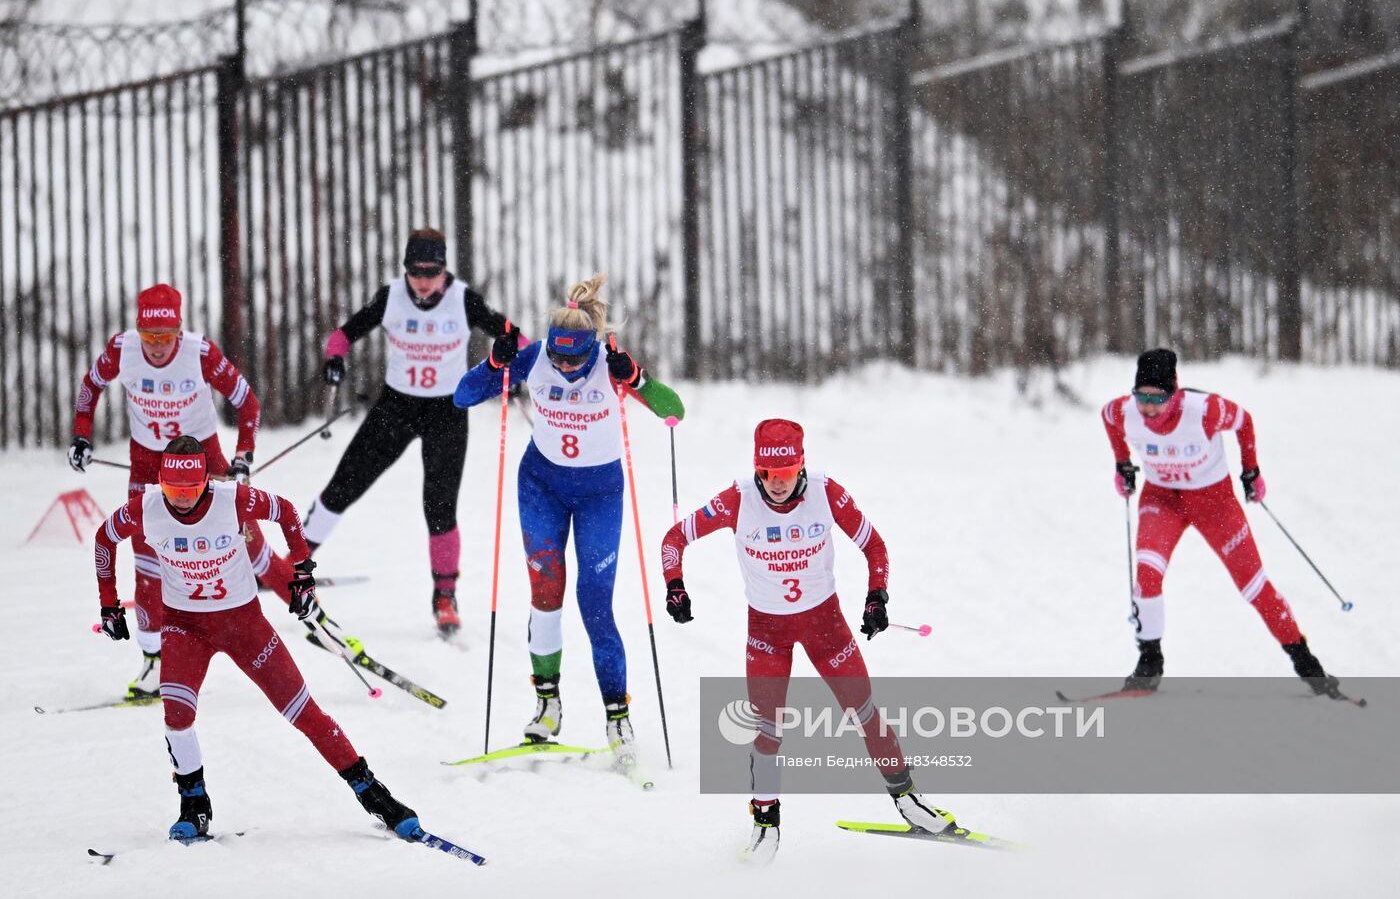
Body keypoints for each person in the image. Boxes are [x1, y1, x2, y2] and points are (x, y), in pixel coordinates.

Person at [659, 418, 982, 859]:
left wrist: (877, 597)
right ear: (757, 470)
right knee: (768, 730)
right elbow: (674, 538)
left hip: (825, 626)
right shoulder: (738, 498)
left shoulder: (826, 492)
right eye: (769, 475)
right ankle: (765, 823)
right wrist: (674, 585)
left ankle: (910, 802)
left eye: (787, 474)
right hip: (767, 633)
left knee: (864, 712)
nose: (777, 484)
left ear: (801, 467)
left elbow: (876, 547)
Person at [93, 436, 424, 841]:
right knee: (176, 716)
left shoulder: (231, 499)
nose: (180, 499)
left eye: (190, 490)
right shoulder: (146, 507)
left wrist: (302, 573)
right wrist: (109, 604)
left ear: (205, 484)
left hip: (244, 626)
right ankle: (194, 804)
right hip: (185, 627)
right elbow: (104, 539)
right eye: (172, 490)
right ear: (161, 482)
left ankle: (372, 792)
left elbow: (284, 511)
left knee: (303, 712)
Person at [453, 273, 684, 761]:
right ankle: (547, 704)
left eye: (574, 359)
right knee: (545, 593)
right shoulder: (534, 357)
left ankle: (618, 718)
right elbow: (463, 395)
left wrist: (637, 378)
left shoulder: (608, 364)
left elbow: (673, 412)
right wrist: (495, 361)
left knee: (595, 604)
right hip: (542, 486)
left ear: (591, 347)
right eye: (558, 357)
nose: (564, 367)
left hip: (600, 492)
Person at [68, 283, 299, 701]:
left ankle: (308, 607)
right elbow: (89, 390)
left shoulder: (200, 352)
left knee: (251, 548)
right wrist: (81, 436)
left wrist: (243, 456)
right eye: (149, 336)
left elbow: (248, 403)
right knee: (148, 563)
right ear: (137, 330)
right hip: (147, 466)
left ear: (180, 330)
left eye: (166, 336)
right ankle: (154, 661)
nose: (157, 347)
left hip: (205, 465)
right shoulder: (123, 349)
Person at [307, 228, 523, 637]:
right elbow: (342, 334)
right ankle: (294, 563)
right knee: (345, 485)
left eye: (432, 272)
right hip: (397, 407)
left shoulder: (464, 299)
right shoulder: (391, 296)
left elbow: (514, 335)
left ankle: (445, 597)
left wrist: (515, 360)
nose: (424, 281)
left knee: (439, 507)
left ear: (445, 271)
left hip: (448, 411)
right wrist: (335, 359)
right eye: (416, 272)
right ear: (405, 270)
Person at [1103, 348, 1344, 696]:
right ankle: (1149, 664)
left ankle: (1307, 663)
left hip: (1213, 502)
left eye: (1158, 398)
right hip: (1162, 498)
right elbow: (1108, 419)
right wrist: (1122, 463)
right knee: (1147, 574)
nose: (1148, 408)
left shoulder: (1205, 411)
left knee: (1253, 586)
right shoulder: (1124, 412)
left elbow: (1244, 421)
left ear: (1175, 391)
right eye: (1141, 396)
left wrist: (1251, 471)